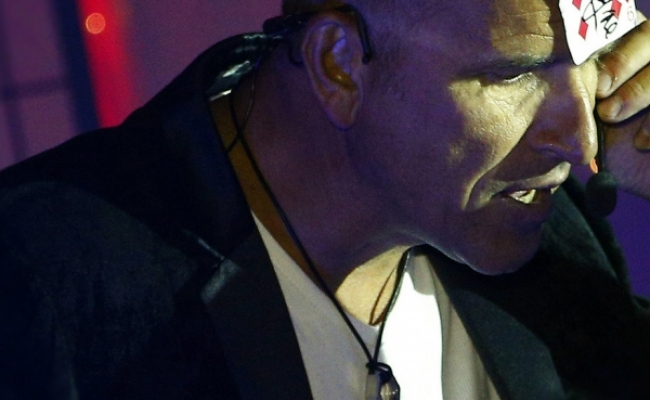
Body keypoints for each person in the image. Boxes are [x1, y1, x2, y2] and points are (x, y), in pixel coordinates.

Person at [1, 0, 650, 398]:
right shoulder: (42, 273)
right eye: (515, 73)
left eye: (597, 58)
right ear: (338, 64)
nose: (581, 142)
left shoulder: (542, 218)